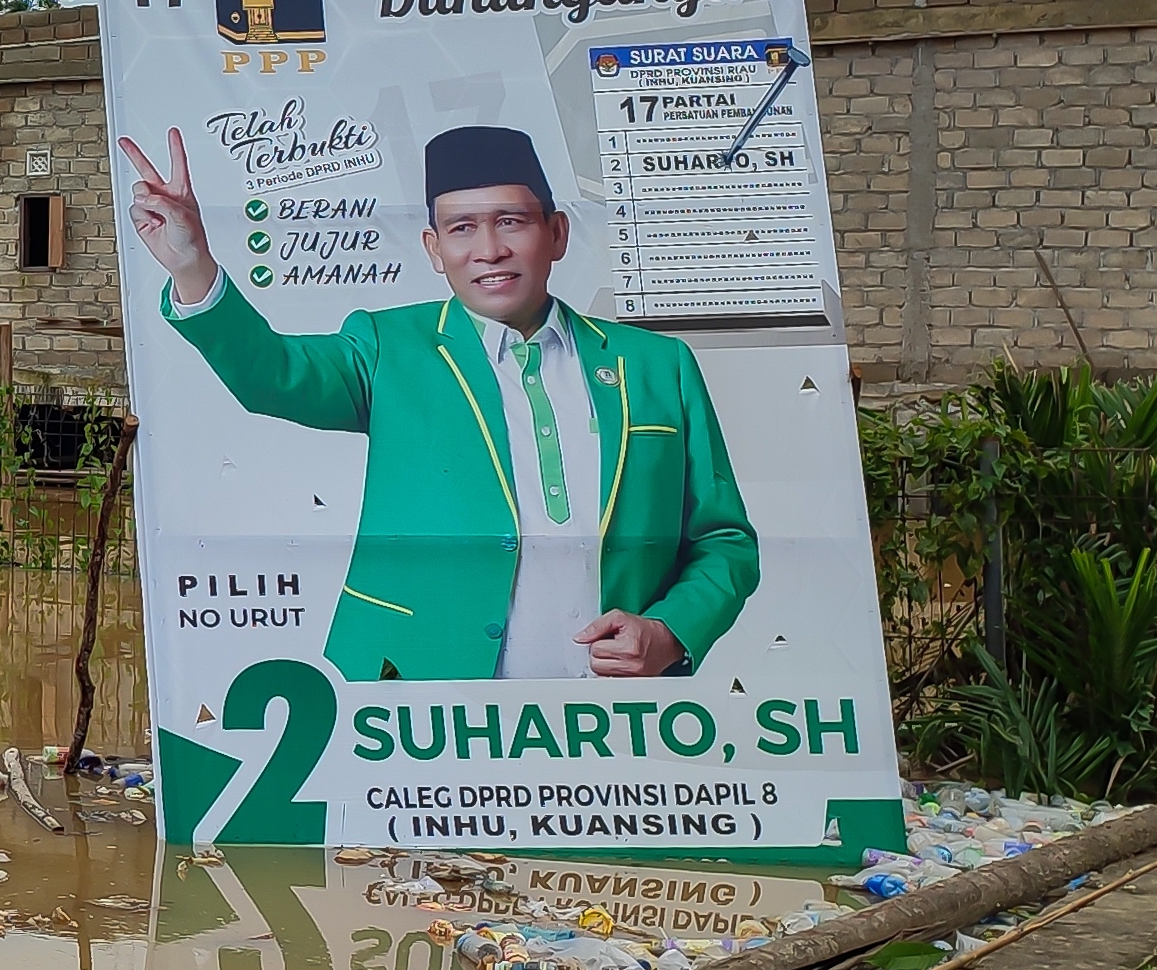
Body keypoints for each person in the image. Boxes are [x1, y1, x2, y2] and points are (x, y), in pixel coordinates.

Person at [121, 123, 757, 682]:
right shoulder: (386, 348)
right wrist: (192, 265)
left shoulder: (655, 365)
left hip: (610, 711)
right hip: (418, 691)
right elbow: (271, 374)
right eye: (462, 228)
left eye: (511, 221)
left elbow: (723, 539)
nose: (489, 250)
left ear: (557, 233)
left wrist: (671, 631)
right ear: (434, 249)